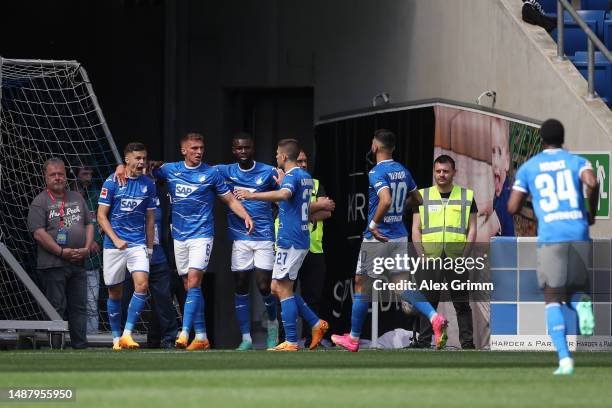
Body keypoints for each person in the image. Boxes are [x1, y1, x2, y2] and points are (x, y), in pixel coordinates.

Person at [331, 129, 449, 352]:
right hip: (399, 235)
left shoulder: (376, 172)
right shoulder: (403, 171)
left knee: (361, 284)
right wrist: (399, 209)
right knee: (402, 285)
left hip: (378, 238)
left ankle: (354, 339)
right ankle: (434, 317)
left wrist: (374, 225)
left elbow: (384, 199)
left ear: (375, 146)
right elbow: (418, 199)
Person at [144, 132, 254, 350]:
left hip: (202, 234)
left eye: (201, 148)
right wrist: (121, 168)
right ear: (183, 150)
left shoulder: (211, 174)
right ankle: (202, 336)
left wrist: (246, 216)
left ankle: (184, 333)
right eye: (194, 148)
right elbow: (142, 169)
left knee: (194, 281)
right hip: (179, 236)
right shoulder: (170, 170)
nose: (199, 152)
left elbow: (230, 199)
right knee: (189, 285)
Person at [508, 118, 598, 375]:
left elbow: (513, 207)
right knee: (576, 288)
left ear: (541, 139)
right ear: (562, 137)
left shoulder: (530, 167)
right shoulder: (577, 161)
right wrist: (589, 212)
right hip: (579, 230)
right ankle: (582, 304)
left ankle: (565, 360)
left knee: (552, 296)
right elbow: (591, 183)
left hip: (552, 235)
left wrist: (532, 202)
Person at [234, 139, 329, 351]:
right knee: (278, 287)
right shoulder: (304, 177)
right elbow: (290, 201)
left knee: (281, 288)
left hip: (291, 239)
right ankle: (315, 323)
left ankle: (292, 341)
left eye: (277, 154)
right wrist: (281, 183)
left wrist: (252, 195)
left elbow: (285, 195)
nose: (276, 157)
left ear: (284, 156)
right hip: (298, 238)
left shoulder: (294, 176)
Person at [216, 132, 281, 350]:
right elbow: (198, 170)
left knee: (264, 286)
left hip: (264, 237)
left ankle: (272, 326)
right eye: (238, 148)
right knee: (241, 285)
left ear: (253, 148)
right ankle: (246, 338)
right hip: (240, 238)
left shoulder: (268, 171)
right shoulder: (225, 171)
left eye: (246, 148)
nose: (243, 152)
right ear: (233, 150)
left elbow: (284, 190)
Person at [411, 155, 477, 349]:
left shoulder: (467, 196)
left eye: (446, 171)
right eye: (438, 171)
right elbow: (416, 229)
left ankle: (468, 343)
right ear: (434, 171)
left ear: (454, 173)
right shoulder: (422, 196)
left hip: (456, 257)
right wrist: (421, 256)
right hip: (430, 258)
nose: (441, 175)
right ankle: (423, 342)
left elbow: (472, 229)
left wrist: (464, 257)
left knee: (462, 303)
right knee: (428, 302)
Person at [27, 157, 93, 349]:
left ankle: (80, 346)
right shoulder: (39, 202)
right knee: (55, 307)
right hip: (53, 264)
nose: (57, 178)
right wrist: (61, 251)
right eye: (53, 174)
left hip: (78, 262)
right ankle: (55, 347)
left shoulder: (77, 197)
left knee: (79, 307)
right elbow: (38, 234)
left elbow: (89, 224)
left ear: (66, 176)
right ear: (45, 178)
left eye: (61, 174)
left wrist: (87, 248)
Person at [98, 142, 156, 350]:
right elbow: (101, 216)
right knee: (115, 293)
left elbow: (150, 219)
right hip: (114, 245)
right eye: (138, 158)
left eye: (144, 158)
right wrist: (115, 239)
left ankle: (127, 333)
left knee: (142, 285)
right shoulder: (112, 182)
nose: (141, 162)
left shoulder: (149, 184)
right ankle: (116, 340)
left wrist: (149, 249)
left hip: (137, 244)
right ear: (127, 160)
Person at [121, 178, 179, 349]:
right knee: (126, 298)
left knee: (164, 300)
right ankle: (122, 336)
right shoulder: (124, 191)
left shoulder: (161, 194)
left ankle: (169, 338)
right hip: (133, 254)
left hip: (158, 256)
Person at [294, 149, 335, 347]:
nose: (302, 165)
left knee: (313, 296)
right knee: (285, 295)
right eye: (299, 161)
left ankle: (312, 339)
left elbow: (328, 211)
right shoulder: (285, 182)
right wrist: (315, 207)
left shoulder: (316, 184)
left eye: (305, 161)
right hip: (290, 247)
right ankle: (288, 338)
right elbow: (285, 211)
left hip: (314, 248)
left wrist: (307, 212)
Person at [71, 165, 103, 334]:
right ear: (74, 174)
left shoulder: (96, 195)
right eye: (84, 173)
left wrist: (97, 240)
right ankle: (70, 334)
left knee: (91, 301)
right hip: (70, 259)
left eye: (91, 173)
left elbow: (103, 220)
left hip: (92, 260)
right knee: (73, 301)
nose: (88, 177)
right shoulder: (66, 197)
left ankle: (92, 337)